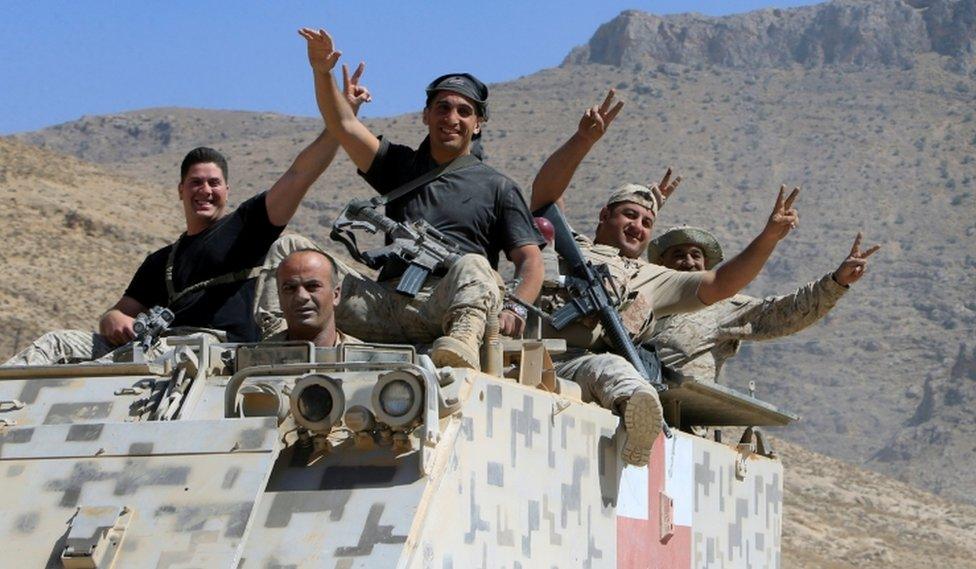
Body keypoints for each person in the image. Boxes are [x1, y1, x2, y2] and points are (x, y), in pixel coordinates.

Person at [3, 53, 372, 367]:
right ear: (181, 190)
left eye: (213, 183)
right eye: (196, 183)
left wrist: (342, 122)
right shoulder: (161, 261)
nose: (205, 190)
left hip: (218, 354)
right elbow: (119, 312)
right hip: (156, 351)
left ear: (227, 190)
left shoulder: (248, 227)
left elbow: (300, 173)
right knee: (56, 344)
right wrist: (113, 320)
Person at [531, 90, 801, 466]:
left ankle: (641, 426)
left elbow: (720, 283)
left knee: (616, 372)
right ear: (604, 215)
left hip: (580, 365)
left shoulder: (652, 277)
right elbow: (544, 196)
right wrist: (584, 140)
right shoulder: (569, 243)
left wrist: (768, 237)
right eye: (629, 215)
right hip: (524, 349)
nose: (638, 226)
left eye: (647, 223)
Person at [299, 28, 545, 369]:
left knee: (475, 265)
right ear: (426, 115)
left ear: (477, 124)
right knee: (293, 251)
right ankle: (277, 344)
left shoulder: (498, 187)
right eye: (442, 108)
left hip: (444, 310)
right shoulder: (399, 165)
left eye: (463, 111)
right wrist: (321, 71)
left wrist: (515, 307)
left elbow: (531, 261)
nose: (451, 118)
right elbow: (342, 124)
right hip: (381, 304)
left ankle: (458, 351)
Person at [646, 227, 879, 383]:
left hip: (682, 426)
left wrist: (837, 282)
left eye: (696, 255)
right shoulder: (643, 300)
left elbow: (784, 313)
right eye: (678, 254)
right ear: (661, 263)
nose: (688, 262)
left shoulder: (720, 305)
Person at [266, 248, 358, 346]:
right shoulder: (259, 358)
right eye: (290, 288)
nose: (301, 296)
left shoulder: (365, 358)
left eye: (313, 286)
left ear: (335, 295)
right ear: (279, 298)